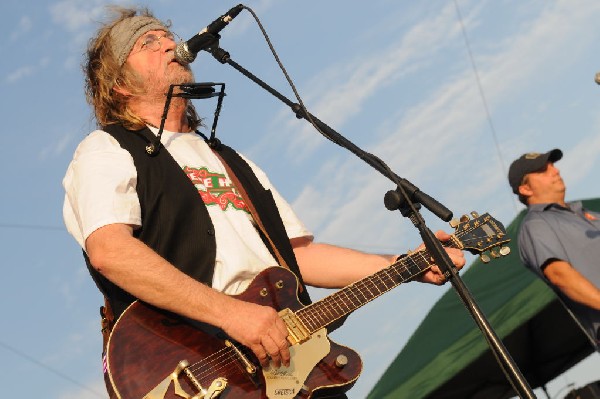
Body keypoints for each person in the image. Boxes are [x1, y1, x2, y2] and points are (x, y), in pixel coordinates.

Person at [62, 6, 466, 398]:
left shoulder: (232, 161)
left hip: (291, 364)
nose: (169, 43)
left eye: (166, 34)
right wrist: (231, 314)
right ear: (120, 84)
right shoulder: (107, 149)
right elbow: (110, 251)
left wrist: (404, 266)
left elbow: (297, 257)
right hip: (199, 367)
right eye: (147, 41)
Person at [508, 149, 600, 350]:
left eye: (552, 166)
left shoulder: (588, 214)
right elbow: (560, 276)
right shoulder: (536, 225)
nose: (555, 171)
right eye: (543, 170)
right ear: (525, 189)